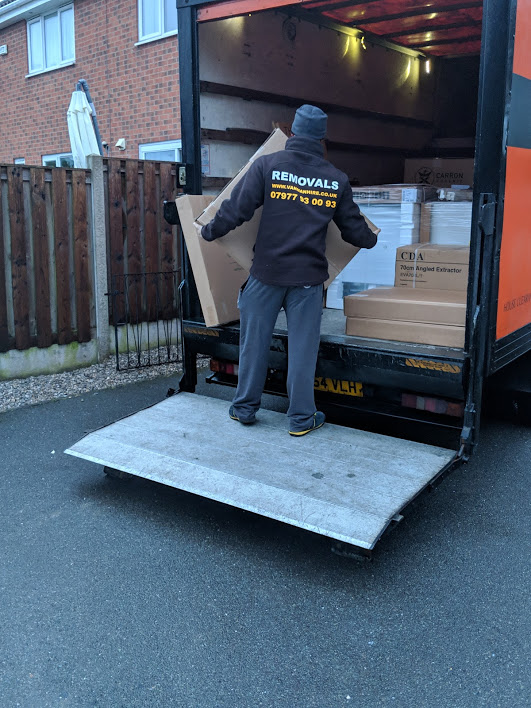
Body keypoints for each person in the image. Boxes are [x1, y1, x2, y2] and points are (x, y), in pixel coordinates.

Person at [200, 105, 377, 436]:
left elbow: (236, 209)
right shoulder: (335, 179)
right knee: (302, 351)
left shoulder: (268, 165)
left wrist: (209, 230)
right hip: (308, 281)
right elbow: (355, 231)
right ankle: (300, 420)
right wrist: (371, 240)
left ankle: (245, 409)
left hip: (265, 273)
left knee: (254, 343)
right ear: (322, 139)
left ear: (292, 133)